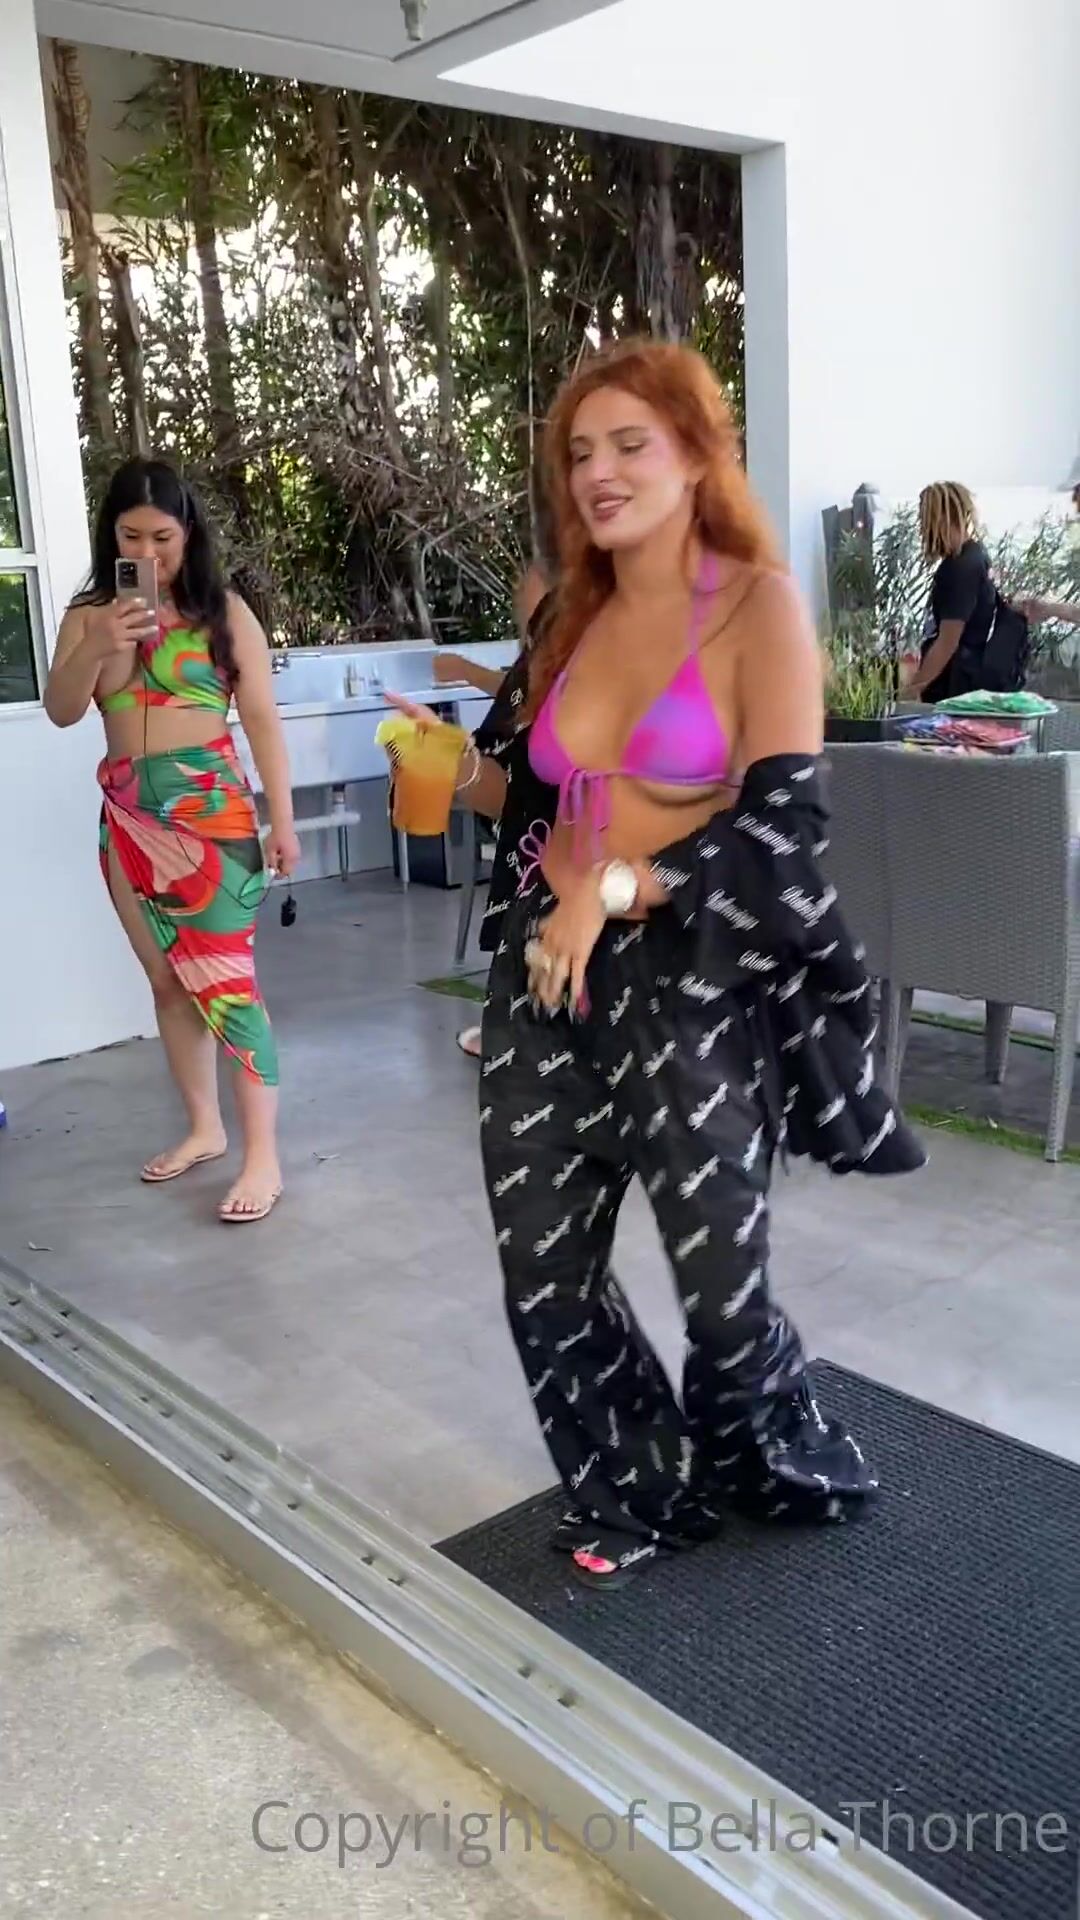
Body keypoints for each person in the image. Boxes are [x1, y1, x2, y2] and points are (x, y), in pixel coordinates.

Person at [471, 337, 923, 1591]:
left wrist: (615, 889)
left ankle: (771, 1456)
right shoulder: (572, 613)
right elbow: (535, 793)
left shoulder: (757, 607)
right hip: (546, 976)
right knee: (544, 1274)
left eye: (631, 443)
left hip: (693, 986)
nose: (599, 472)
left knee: (722, 1293)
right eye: (580, 452)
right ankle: (638, 1489)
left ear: (695, 454)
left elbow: (785, 833)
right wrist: (486, 796)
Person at [44, 458, 299, 1224]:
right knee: (166, 982)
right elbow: (62, 709)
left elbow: (262, 721)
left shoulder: (225, 612)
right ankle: (203, 1127)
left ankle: (263, 1156)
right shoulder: (91, 613)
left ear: (188, 533)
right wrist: (98, 641)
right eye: (132, 537)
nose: (148, 553)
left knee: (228, 984)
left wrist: (284, 820)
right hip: (127, 818)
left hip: (212, 816)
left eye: (163, 537)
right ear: (111, 535)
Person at [905, 482, 995, 703]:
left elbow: (948, 641)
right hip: (963, 679)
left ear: (940, 520)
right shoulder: (975, 555)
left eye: (924, 521)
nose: (921, 530)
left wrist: (913, 689)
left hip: (954, 686)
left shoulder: (961, 567)